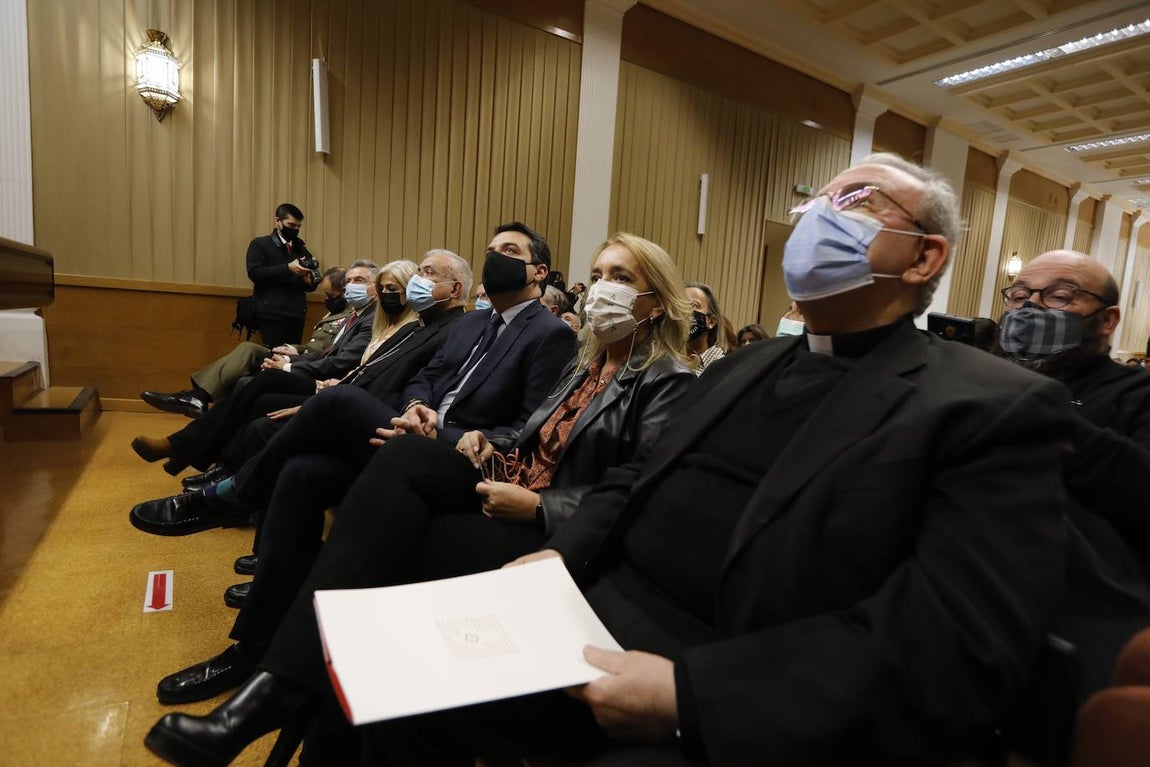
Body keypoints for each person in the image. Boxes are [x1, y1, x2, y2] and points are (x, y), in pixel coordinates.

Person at [148, 156, 1072, 766]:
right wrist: (563, 549)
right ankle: (288, 679)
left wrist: (690, 693)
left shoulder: (987, 405)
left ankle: (282, 676)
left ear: (926, 257)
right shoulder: (756, 362)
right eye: (820, 200)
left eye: (858, 203)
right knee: (378, 648)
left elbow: (955, 644)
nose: (823, 218)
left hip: (709, 656)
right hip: (584, 591)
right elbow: (639, 476)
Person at [141, 235, 696, 767]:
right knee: (319, 472)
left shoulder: (666, 379)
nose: (602, 288)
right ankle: (282, 689)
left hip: (545, 524)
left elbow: (641, 489)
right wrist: (481, 441)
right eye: (598, 275)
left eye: (621, 278)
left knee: (395, 506)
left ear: (656, 300)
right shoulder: (587, 363)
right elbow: (525, 435)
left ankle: (284, 692)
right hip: (498, 475)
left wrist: (540, 508)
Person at [128, 222, 575, 539]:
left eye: (511, 252)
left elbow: (526, 429)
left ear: (539, 272)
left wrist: (440, 428)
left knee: (334, 401)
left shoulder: (547, 332)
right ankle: (260, 638)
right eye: (493, 249)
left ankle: (227, 494)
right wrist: (414, 408)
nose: (496, 258)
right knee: (303, 471)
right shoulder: (476, 324)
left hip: (458, 453)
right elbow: (426, 377)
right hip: (411, 426)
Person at [998, 249, 1150, 698]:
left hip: (1086, 600)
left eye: (1061, 297)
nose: (1031, 307)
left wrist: (1050, 415)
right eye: (1020, 295)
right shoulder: (981, 377)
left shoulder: (1136, 394)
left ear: (1106, 320)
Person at [128, 261, 415, 483]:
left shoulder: (384, 323)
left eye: (361, 282)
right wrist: (295, 357)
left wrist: (295, 368)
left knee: (262, 384)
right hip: (332, 383)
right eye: (349, 281)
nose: (352, 286)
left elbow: (344, 364)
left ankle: (187, 448)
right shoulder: (371, 320)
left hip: (338, 390)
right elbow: (342, 361)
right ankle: (195, 452)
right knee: (256, 392)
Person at [139, 267, 350, 419]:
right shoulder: (336, 311)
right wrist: (293, 348)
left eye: (330, 295)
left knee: (242, 378)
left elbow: (327, 353)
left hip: (309, 366)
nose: (327, 299)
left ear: (344, 292)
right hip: (299, 355)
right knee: (248, 349)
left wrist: (289, 358)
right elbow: (314, 345)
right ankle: (198, 396)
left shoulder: (351, 316)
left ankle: (198, 398)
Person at [247, 203, 320, 348]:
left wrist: (309, 281)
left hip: (296, 314)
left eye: (298, 227)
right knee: (274, 356)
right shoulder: (260, 244)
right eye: (291, 225)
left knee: (290, 357)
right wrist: (287, 268)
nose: (295, 230)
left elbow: (310, 286)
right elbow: (255, 273)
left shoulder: (301, 249)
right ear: (278, 221)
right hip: (271, 313)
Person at [684, 281, 726, 373]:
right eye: (681, 305)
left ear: (711, 321)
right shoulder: (665, 362)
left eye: (693, 305)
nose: (685, 311)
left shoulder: (724, 367)